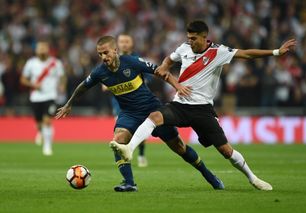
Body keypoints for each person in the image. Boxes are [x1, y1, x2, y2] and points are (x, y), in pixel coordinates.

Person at [110, 20, 297, 191]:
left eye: (193, 38)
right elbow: (170, 58)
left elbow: (246, 54)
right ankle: (129, 149)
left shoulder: (218, 52)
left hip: (203, 110)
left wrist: (276, 52)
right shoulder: (184, 48)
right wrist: (165, 67)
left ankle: (253, 178)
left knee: (226, 151)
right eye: (188, 38)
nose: (190, 42)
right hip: (180, 105)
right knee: (154, 117)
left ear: (204, 37)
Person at [56, 35, 224, 192]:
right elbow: (82, 86)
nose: (103, 57)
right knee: (118, 141)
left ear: (115, 51)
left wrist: (177, 86)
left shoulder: (132, 62)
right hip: (129, 114)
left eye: (106, 52)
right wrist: (69, 104)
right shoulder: (100, 73)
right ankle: (129, 183)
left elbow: (160, 71)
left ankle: (208, 175)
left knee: (179, 147)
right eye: (100, 54)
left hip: (153, 111)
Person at [20, 40, 66, 156]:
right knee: (39, 123)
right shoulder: (31, 63)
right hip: (36, 97)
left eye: (43, 48)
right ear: (36, 50)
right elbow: (23, 79)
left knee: (47, 121)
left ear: (48, 50)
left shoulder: (56, 63)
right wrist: (33, 85)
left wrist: (62, 86)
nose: (41, 50)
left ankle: (47, 146)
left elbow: (62, 77)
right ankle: (40, 132)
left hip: (50, 96)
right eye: (39, 48)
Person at [117, 33, 149, 167]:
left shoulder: (138, 60)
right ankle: (124, 159)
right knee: (121, 132)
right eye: (121, 41)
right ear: (117, 44)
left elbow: (147, 78)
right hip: (119, 102)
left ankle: (140, 154)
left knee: (138, 130)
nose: (124, 44)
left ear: (132, 44)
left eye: (127, 41)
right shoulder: (112, 60)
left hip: (138, 101)